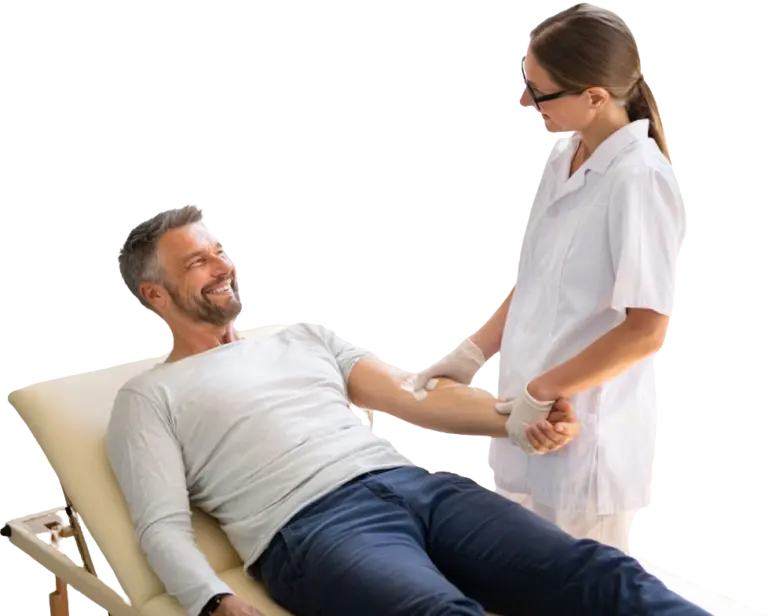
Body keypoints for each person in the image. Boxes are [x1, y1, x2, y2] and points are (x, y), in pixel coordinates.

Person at [109, 206, 704, 616]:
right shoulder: (148, 398)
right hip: (311, 529)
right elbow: (160, 524)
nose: (223, 267)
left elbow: (407, 400)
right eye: (198, 263)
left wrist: (518, 418)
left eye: (218, 251)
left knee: (597, 571)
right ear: (154, 294)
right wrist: (211, 600)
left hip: (417, 487)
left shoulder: (304, 336)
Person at [409, 4, 686, 554]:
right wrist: (472, 352)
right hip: (526, 425)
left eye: (539, 92)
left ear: (594, 97)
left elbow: (647, 329)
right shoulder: (563, 160)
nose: (525, 103)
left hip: (583, 439)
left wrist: (544, 390)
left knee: (576, 595)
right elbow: (534, 281)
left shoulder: (640, 179)